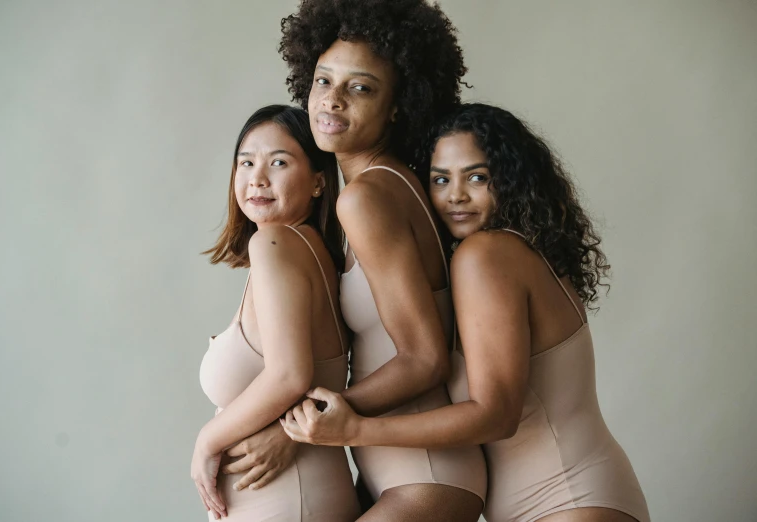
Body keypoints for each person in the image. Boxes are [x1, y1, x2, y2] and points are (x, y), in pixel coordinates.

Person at [282, 103, 652, 522]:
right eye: (441, 179)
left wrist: (354, 430)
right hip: (573, 496)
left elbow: (497, 414)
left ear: (511, 181)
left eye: (477, 177)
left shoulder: (487, 255)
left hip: (569, 500)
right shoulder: (517, 252)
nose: (455, 195)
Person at [234, 1, 488, 521]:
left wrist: (307, 425)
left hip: (424, 474)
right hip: (400, 473)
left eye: (361, 87)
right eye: (324, 80)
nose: (332, 100)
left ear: (398, 105)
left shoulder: (366, 197)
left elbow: (424, 357)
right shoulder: (386, 185)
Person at [192, 104, 360, 521]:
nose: (257, 178)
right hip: (298, 494)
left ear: (319, 182)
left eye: (278, 162)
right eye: (245, 163)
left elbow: (289, 376)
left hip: (288, 501)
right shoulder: (310, 252)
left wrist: (206, 441)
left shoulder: (274, 244)